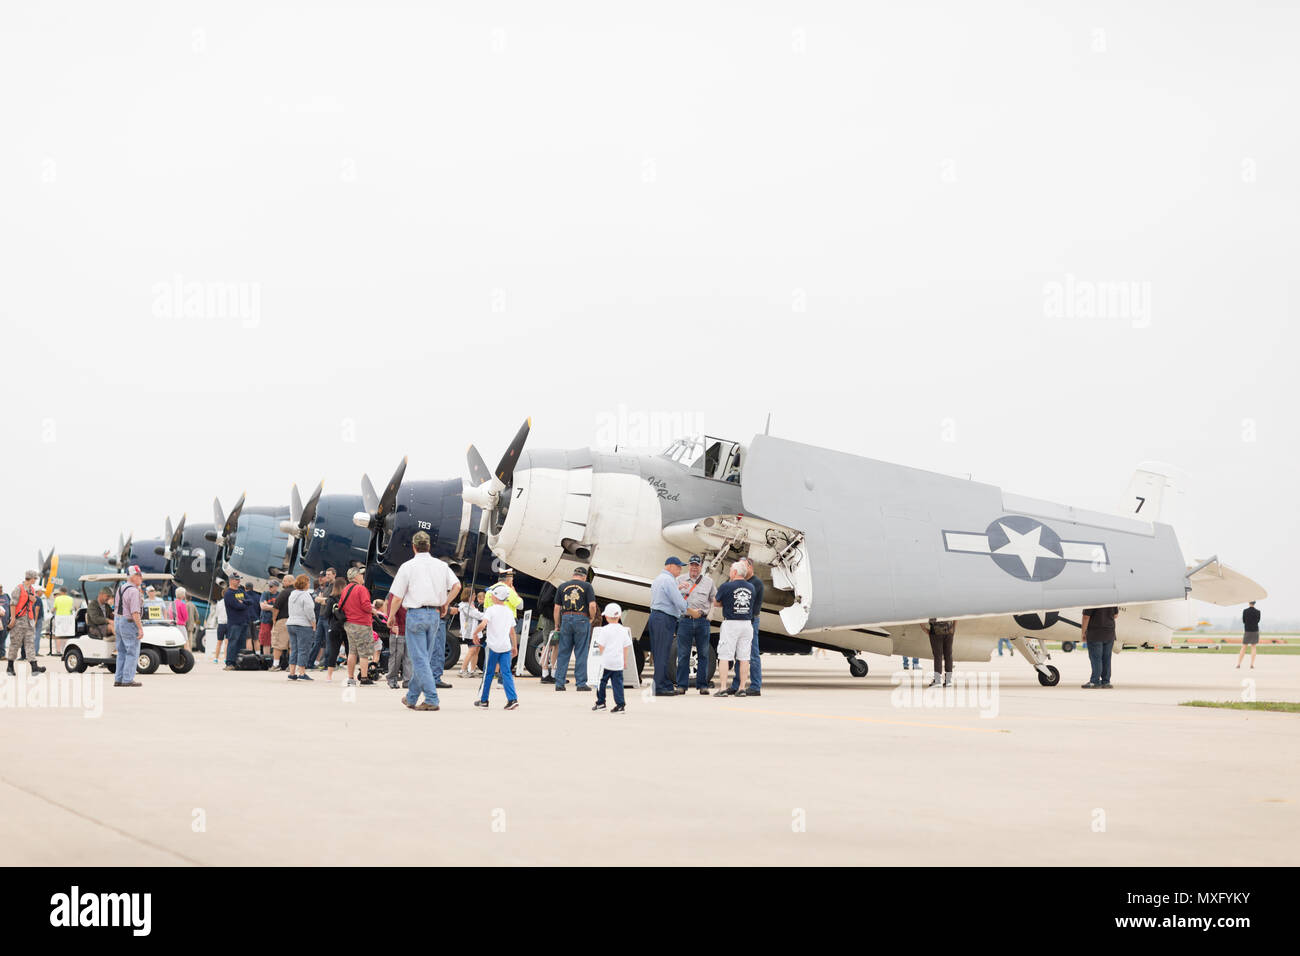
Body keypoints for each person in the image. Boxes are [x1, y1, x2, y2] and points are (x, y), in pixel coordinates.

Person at [388, 531, 461, 711]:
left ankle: (431, 698)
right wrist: (446, 602)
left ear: (414, 547)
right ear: (429, 546)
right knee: (425, 659)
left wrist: (391, 616)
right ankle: (411, 697)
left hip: (416, 614)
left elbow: (397, 597)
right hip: (434, 615)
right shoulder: (441, 566)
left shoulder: (407, 567)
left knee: (419, 660)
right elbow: (457, 586)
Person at [472, 584, 520, 710]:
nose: (491, 596)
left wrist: (475, 633)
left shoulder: (491, 610)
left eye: (493, 594)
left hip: (492, 646)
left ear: (496, 597)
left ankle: (484, 700)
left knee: (488, 673)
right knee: (506, 673)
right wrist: (514, 646)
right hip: (505, 646)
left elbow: (483, 624)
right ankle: (512, 699)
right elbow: (512, 631)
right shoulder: (509, 611)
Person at [676, 554, 717, 694]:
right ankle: (681, 685)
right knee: (683, 654)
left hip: (702, 621)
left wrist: (711, 615)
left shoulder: (709, 582)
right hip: (685, 620)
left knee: (703, 654)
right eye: (692, 565)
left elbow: (714, 599)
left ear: (701, 567)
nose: (694, 567)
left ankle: (703, 685)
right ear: (689, 566)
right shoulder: (679, 580)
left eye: (696, 565)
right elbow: (674, 598)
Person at [553, 566, 598, 692]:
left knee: (563, 652)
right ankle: (580, 683)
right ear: (583, 576)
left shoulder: (562, 587)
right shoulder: (587, 586)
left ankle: (559, 683)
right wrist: (591, 618)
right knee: (581, 652)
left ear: (573, 575)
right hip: (582, 619)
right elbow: (592, 605)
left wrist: (557, 624)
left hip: (566, 619)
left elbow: (557, 608)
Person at [713, 562, 756, 697]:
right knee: (744, 657)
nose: (730, 571)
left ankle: (723, 688)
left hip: (731, 623)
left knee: (724, 656)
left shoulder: (726, 586)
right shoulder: (751, 587)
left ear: (735, 572)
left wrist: (726, 604)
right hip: (747, 624)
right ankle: (742, 688)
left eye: (731, 570)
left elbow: (715, 602)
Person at [648, 556, 688, 696]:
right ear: (670, 566)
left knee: (659, 652)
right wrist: (687, 608)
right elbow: (678, 601)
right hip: (664, 618)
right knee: (662, 653)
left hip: (657, 617)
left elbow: (664, 594)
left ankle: (663, 683)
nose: (680, 570)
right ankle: (659, 687)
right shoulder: (669, 580)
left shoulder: (660, 579)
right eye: (678, 567)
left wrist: (678, 588)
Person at [728, 557, 766, 696]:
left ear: (750, 567)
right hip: (740, 620)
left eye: (743, 566)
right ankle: (736, 684)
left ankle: (756, 686)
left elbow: (748, 604)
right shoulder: (741, 582)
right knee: (739, 654)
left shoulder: (756, 583)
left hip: (751, 621)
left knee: (753, 654)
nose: (741, 569)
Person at [337, 568, 377, 687]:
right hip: (361, 624)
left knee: (352, 651)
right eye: (361, 574)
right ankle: (364, 678)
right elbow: (365, 605)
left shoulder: (345, 589)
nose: (363, 576)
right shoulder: (361, 589)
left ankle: (350, 678)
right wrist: (373, 610)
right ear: (356, 576)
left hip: (349, 624)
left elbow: (340, 606)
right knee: (364, 653)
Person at [591, 603, 633, 713]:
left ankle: (601, 703)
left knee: (602, 682)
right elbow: (626, 647)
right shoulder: (623, 630)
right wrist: (624, 660)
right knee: (617, 684)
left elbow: (600, 645)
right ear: (619, 616)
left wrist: (602, 654)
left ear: (607, 617)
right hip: (618, 662)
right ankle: (620, 705)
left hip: (606, 662)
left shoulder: (605, 630)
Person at [6, 570, 46, 675]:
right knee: (15, 644)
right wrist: (13, 619)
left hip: (29, 620)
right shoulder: (18, 589)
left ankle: (34, 667)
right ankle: (10, 667)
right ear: (31, 578)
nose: (35, 580)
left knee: (30, 643)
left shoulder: (32, 589)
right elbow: (12, 604)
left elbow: (32, 603)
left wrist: (32, 599)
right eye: (35, 578)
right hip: (19, 620)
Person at [112, 566, 146, 687]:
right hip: (129, 622)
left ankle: (119, 678)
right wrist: (140, 628)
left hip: (118, 620)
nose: (141, 578)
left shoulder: (121, 588)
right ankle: (127, 679)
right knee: (132, 651)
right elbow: (135, 612)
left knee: (121, 651)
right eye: (139, 575)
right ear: (134, 577)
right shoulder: (134, 591)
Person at [222, 572, 259, 670]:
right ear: (231, 580)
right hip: (234, 622)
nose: (239, 581)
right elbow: (237, 606)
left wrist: (244, 602)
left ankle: (239, 662)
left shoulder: (241, 591)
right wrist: (244, 604)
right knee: (233, 642)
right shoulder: (229, 593)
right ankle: (229, 663)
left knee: (242, 643)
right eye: (236, 579)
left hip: (244, 622)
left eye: (239, 579)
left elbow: (250, 601)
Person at [286, 574, 315, 681]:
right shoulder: (306, 595)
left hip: (291, 623)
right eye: (308, 582)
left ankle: (292, 672)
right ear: (305, 583)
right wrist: (313, 622)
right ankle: (302, 672)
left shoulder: (292, 594)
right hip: (303, 624)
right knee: (304, 648)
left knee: (294, 648)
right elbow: (309, 610)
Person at [1081, 606, 1118, 689]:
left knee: (1096, 658)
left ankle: (1095, 681)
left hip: (1095, 633)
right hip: (1109, 633)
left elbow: (1086, 617)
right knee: (1106, 658)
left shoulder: (1092, 598)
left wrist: (1083, 632)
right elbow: (1116, 615)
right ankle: (1106, 681)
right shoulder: (1112, 599)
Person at [306, 568, 337, 669]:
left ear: (334, 575)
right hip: (321, 616)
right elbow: (321, 600)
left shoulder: (335, 586)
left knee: (328, 642)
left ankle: (327, 664)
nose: (327, 576)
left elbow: (331, 601)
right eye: (326, 575)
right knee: (317, 641)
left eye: (329, 575)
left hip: (329, 617)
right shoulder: (327, 586)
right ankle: (309, 663)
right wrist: (321, 599)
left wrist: (321, 599)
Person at [322, 578, 346, 682]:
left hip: (334, 627)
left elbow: (326, 614)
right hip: (346, 627)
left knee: (333, 651)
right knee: (350, 652)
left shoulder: (331, 599)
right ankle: (351, 676)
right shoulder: (346, 598)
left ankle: (329, 676)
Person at [456, 589, 484, 679]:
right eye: (474, 595)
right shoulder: (465, 607)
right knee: (472, 650)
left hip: (475, 631)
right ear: (469, 596)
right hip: (470, 632)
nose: (475, 596)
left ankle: (472, 670)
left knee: (476, 650)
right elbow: (477, 615)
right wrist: (488, 615)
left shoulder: (470, 605)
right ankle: (462, 670)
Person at [385, 599, 411, 689]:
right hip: (398, 630)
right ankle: (392, 678)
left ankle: (408, 680)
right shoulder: (396, 593)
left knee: (409, 657)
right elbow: (390, 608)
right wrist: (394, 624)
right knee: (396, 656)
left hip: (410, 630)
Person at [923, 618, 956, 687]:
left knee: (938, 656)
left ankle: (938, 680)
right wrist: (954, 627)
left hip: (935, 630)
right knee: (948, 655)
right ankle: (948, 680)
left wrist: (923, 627)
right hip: (948, 629)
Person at [270, 575, 293, 671]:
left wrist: (274, 619)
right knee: (292, 645)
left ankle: (276, 665)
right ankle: (291, 666)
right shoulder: (298, 592)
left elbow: (276, 608)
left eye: (284, 581)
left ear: (289, 581)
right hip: (295, 621)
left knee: (278, 644)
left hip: (283, 620)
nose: (282, 583)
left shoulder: (284, 592)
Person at [257, 577, 280, 656]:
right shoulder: (265, 594)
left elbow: (280, 608)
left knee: (277, 641)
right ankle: (267, 659)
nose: (269, 588)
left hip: (276, 621)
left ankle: (275, 660)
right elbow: (262, 607)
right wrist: (274, 607)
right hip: (265, 620)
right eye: (269, 586)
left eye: (271, 586)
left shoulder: (279, 595)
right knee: (266, 641)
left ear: (276, 587)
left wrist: (268, 606)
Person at [51, 586, 75, 655]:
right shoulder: (71, 599)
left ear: (61, 592)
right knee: (66, 635)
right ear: (66, 592)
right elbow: (72, 608)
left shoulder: (57, 599)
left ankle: (58, 651)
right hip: (68, 617)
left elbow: (54, 609)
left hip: (59, 618)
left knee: (59, 635)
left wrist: (52, 611)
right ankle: (65, 649)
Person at [1237, 601, 1261, 669]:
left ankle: (1238, 664)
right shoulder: (1258, 611)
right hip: (1255, 630)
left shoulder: (1245, 611)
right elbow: (1258, 621)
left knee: (1244, 647)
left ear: (1249, 603)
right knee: (1253, 647)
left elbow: (1244, 621)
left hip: (1247, 630)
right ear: (1255, 603)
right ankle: (1252, 664)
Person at [210, 589, 228, 664]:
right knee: (227, 642)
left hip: (220, 624)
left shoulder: (219, 603)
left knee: (219, 642)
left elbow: (217, 614)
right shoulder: (229, 602)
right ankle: (225, 658)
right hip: (228, 623)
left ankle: (216, 658)